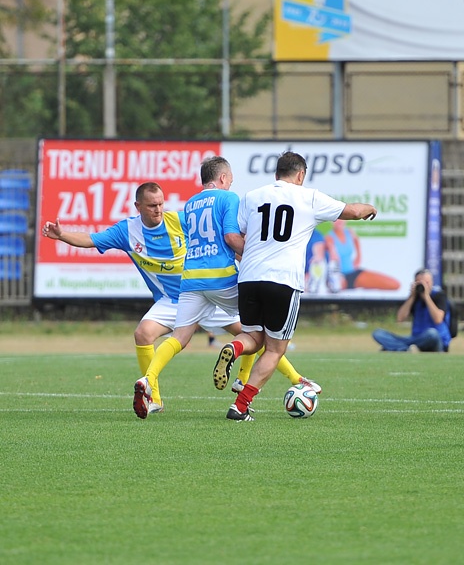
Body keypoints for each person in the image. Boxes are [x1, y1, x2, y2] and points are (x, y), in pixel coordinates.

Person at [133, 156, 317, 419]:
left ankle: (148, 380)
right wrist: (256, 255)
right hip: (221, 277)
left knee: (178, 338)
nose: (232, 183)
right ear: (222, 179)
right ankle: (243, 380)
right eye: (230, 179)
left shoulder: (191, 202)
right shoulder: (229, 199)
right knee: (257, 330)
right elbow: (231, 237)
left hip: (192, 279)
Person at [40, 182, 239, 415]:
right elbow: (91, 239)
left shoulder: (180, 220)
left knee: (251, 333)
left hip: (200, 293)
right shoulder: (127, 231)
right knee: (143, 333)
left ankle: (282, 380)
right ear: (138, 206)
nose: (158, 209)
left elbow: (214, 239)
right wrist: (62, 235)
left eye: (161, 204)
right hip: (170, 300)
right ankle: (153, 398)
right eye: (152, 205)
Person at [213, 151, 378, 421]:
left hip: (250, 278)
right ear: (300, 174)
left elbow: (236, 236)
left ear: (276, 173)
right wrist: (370, 209)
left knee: (253, 338)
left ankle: (234, 347)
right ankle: (239, 406)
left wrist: (256, 254)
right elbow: (353, 211)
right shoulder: (309, 197)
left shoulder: (253, 196)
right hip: (283, 281)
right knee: (276, 349)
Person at [371, 268, 451, 352]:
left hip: (436, 339)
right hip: (416, 339)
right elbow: (400, 318)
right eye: (420, 283)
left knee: (432, 333)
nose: (423, 286)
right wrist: (412, 296)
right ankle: (406, 349)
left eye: (426, 283)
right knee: (378, 333)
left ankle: (396, 348)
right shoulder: (414, 298)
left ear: (432, 282)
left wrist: (427, 297)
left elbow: (438, 319)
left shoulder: (439, 296)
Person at [325, 218, 400, 291]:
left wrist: (358, 257)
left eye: (342, 218)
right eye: (336, 218)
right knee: (337, 285)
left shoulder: (349, 232)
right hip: (340, 277)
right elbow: (332, 258)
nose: (339, 221)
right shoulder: (329, 238)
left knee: (395, 284)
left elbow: (356, 241)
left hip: (353, 273)